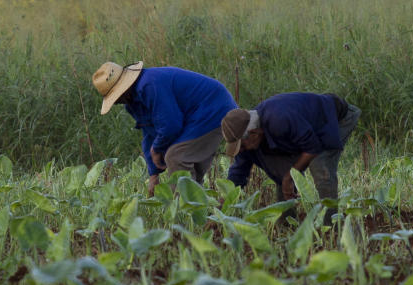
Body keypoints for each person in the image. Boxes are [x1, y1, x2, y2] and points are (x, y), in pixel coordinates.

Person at [91, 61, 237, 196]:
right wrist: (153, 174)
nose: (116, 102)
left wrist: (157, 148)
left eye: (115, 97)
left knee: (176, 156)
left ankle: (186, 212)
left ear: (123, 89)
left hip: (214, 108)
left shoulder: (149, 84)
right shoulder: (133, 103)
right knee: (187, 169)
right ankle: (200, 214)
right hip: (197, 115)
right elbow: (149, 134)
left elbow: (171, 125)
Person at [221, 92, 361, 224]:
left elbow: (313, 148)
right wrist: (224, 205)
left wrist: (289, 176)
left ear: (255, 133)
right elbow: (238, 173)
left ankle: (330, 224)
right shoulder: (248, 137)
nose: (242, 151)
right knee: (280, 170)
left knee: (320, 165)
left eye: (243, 146)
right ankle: (287, 221)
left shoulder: (279, 120)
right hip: (305, 130)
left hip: (335, 119)